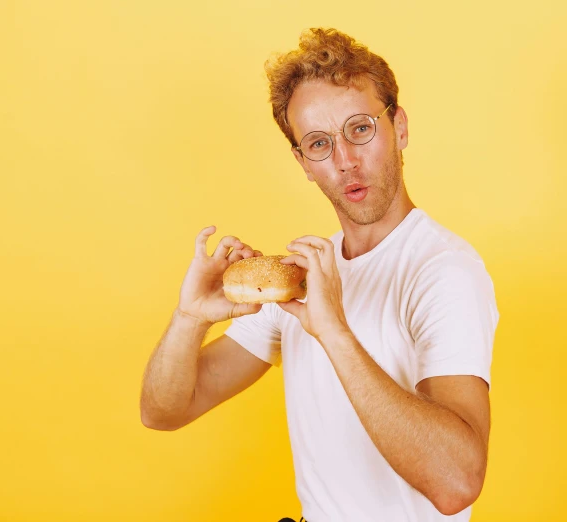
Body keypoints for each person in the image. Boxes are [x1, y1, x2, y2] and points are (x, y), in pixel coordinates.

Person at [140, 28, 500, 521]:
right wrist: (189, 317)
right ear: (303, 162)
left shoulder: (443, 271)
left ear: (400, 127)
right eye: (318, 143)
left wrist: (333, 330)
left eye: (360, 129)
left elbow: (456, 483)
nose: (345, 160)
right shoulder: (303, 277)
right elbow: (164, 411)